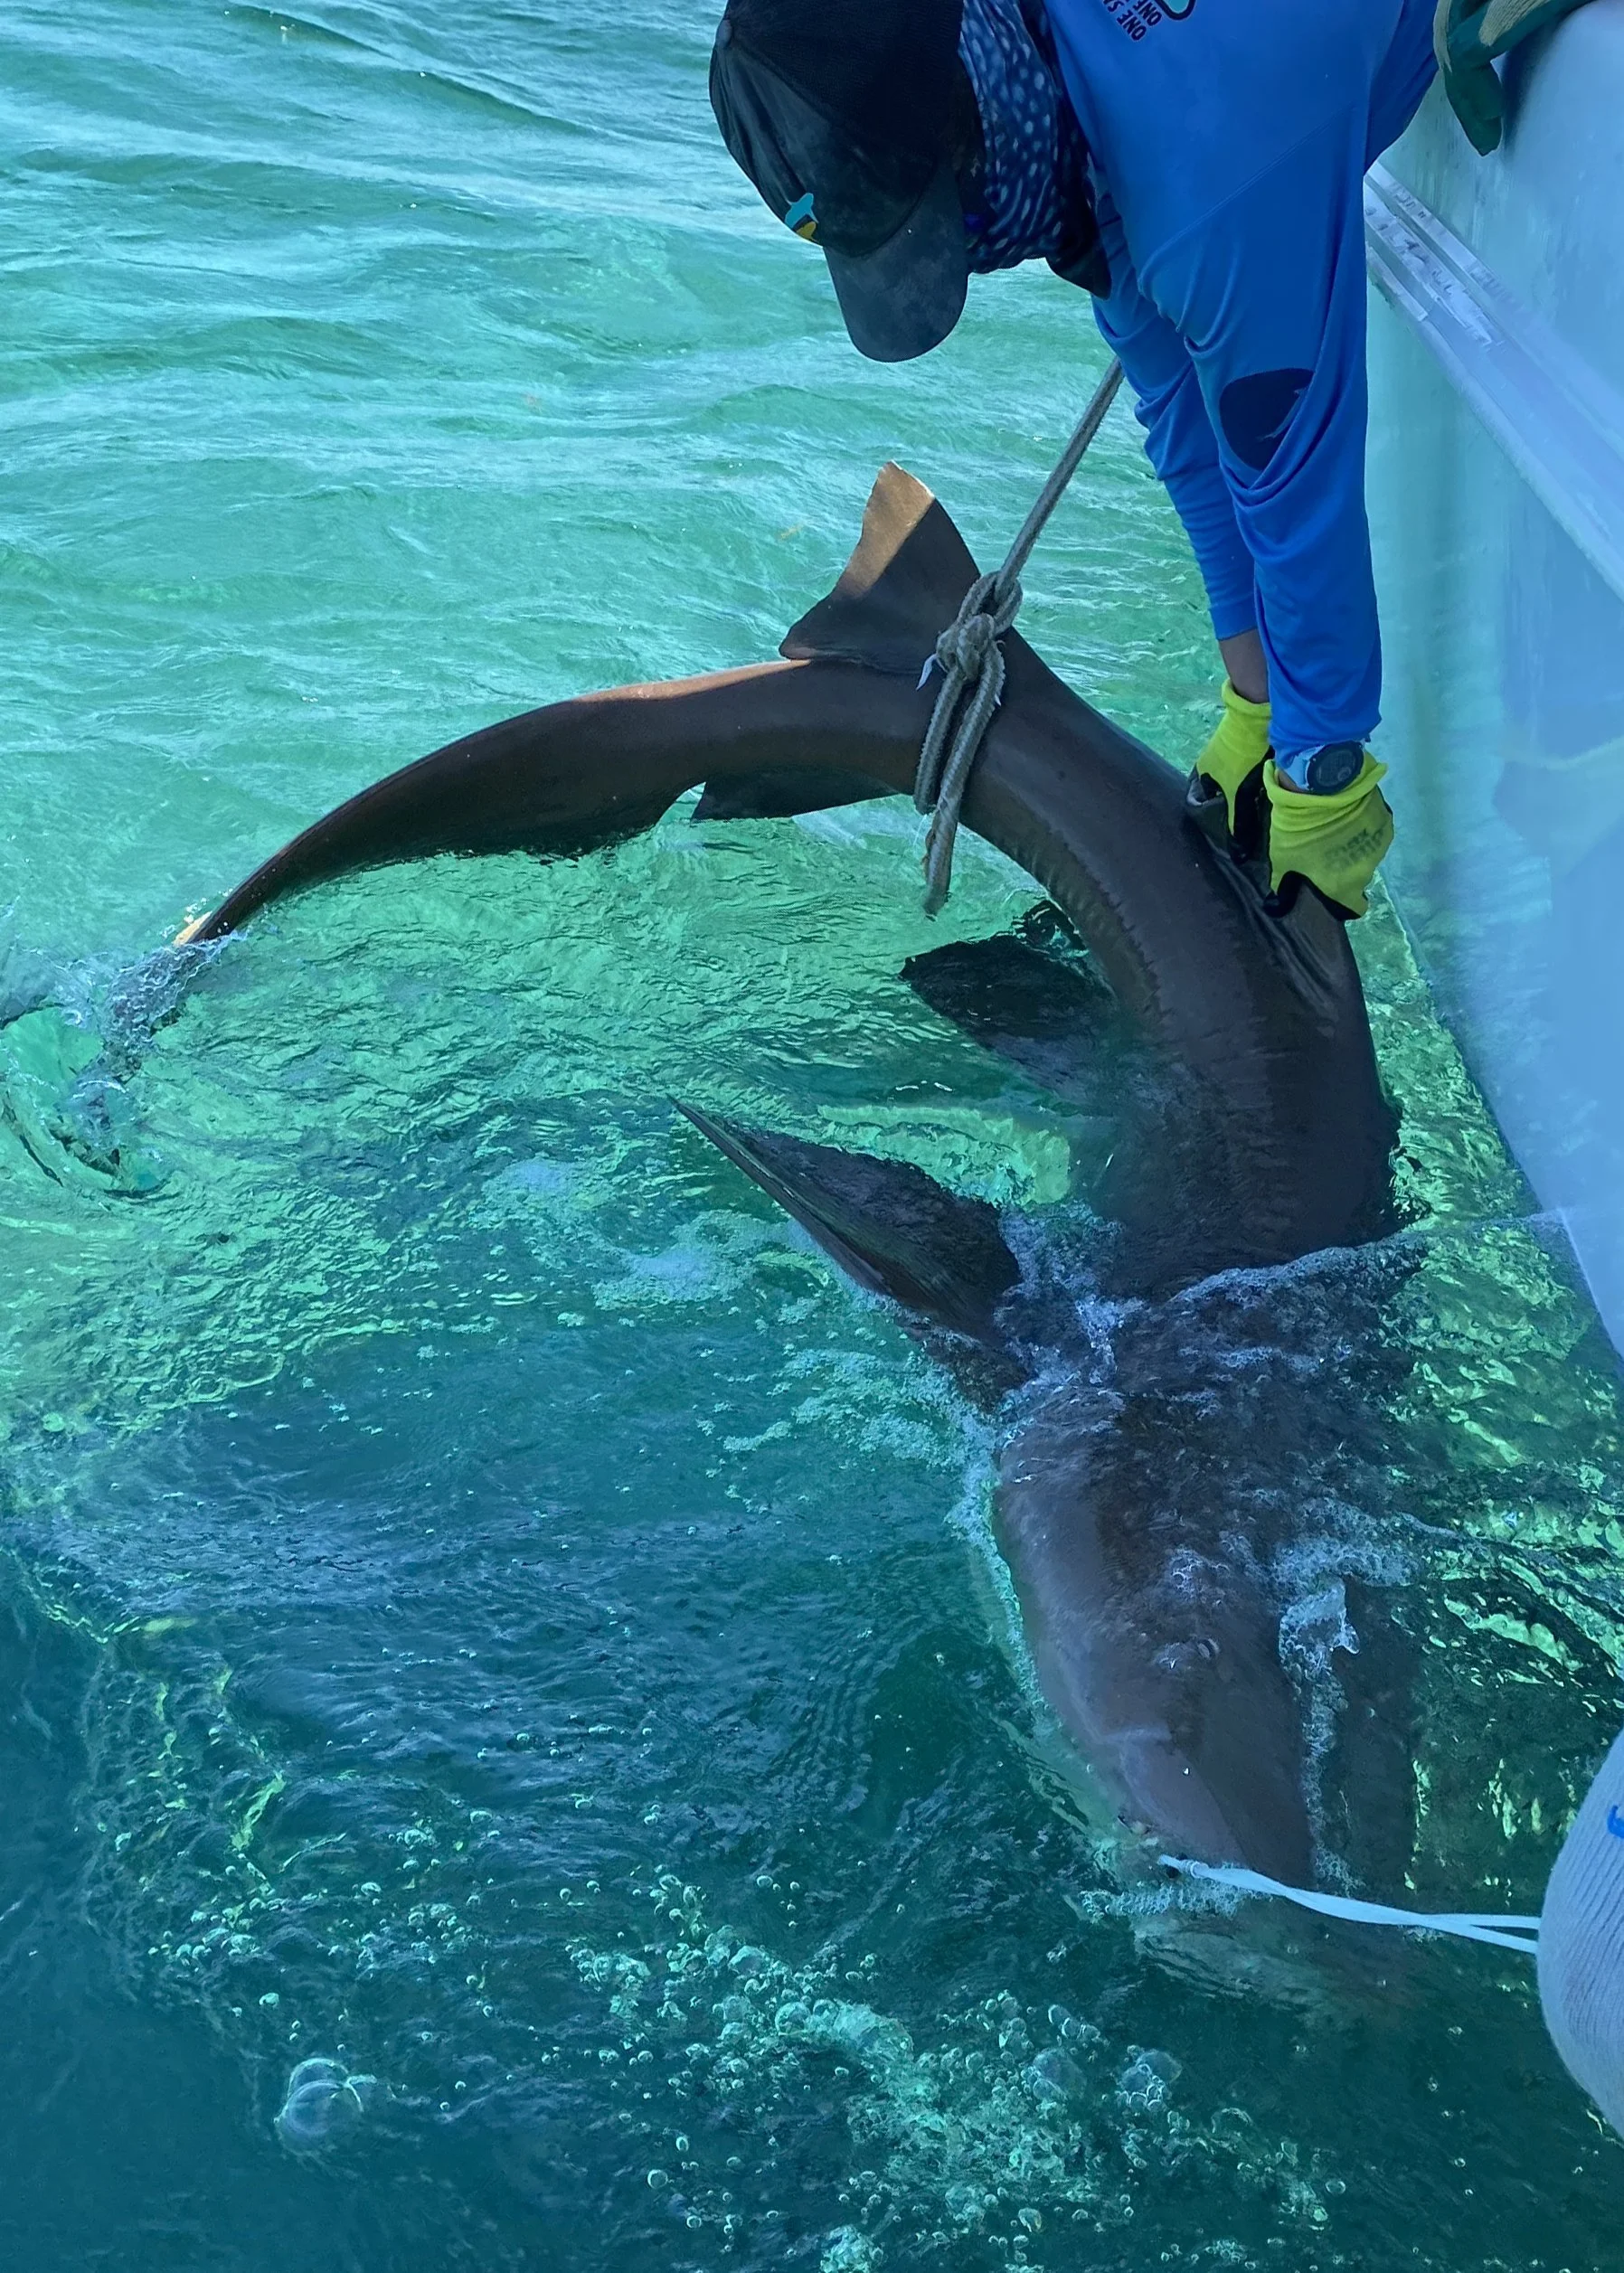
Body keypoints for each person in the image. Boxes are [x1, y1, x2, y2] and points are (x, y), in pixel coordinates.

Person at [707, 0, 1595, 921]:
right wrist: (1255, 706)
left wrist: (1322, 768)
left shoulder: (1207, 183)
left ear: (978, 123)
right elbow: (1182, 421)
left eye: (955, 220)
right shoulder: (1057, 84)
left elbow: (1296, 487)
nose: (975, 257)